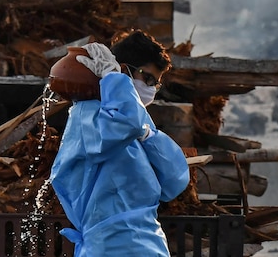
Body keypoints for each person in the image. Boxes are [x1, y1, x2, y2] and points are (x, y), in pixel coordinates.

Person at [49, 29, 190, 256]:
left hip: (145, 243)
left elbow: (174, 180)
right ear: (123, 70)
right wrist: (114, 79)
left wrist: (150, 137)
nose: (152, 88)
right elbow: (125, 126)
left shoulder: (134, 117)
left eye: (157, 83)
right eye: (149, 78)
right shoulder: (88, 114)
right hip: (110, 245)